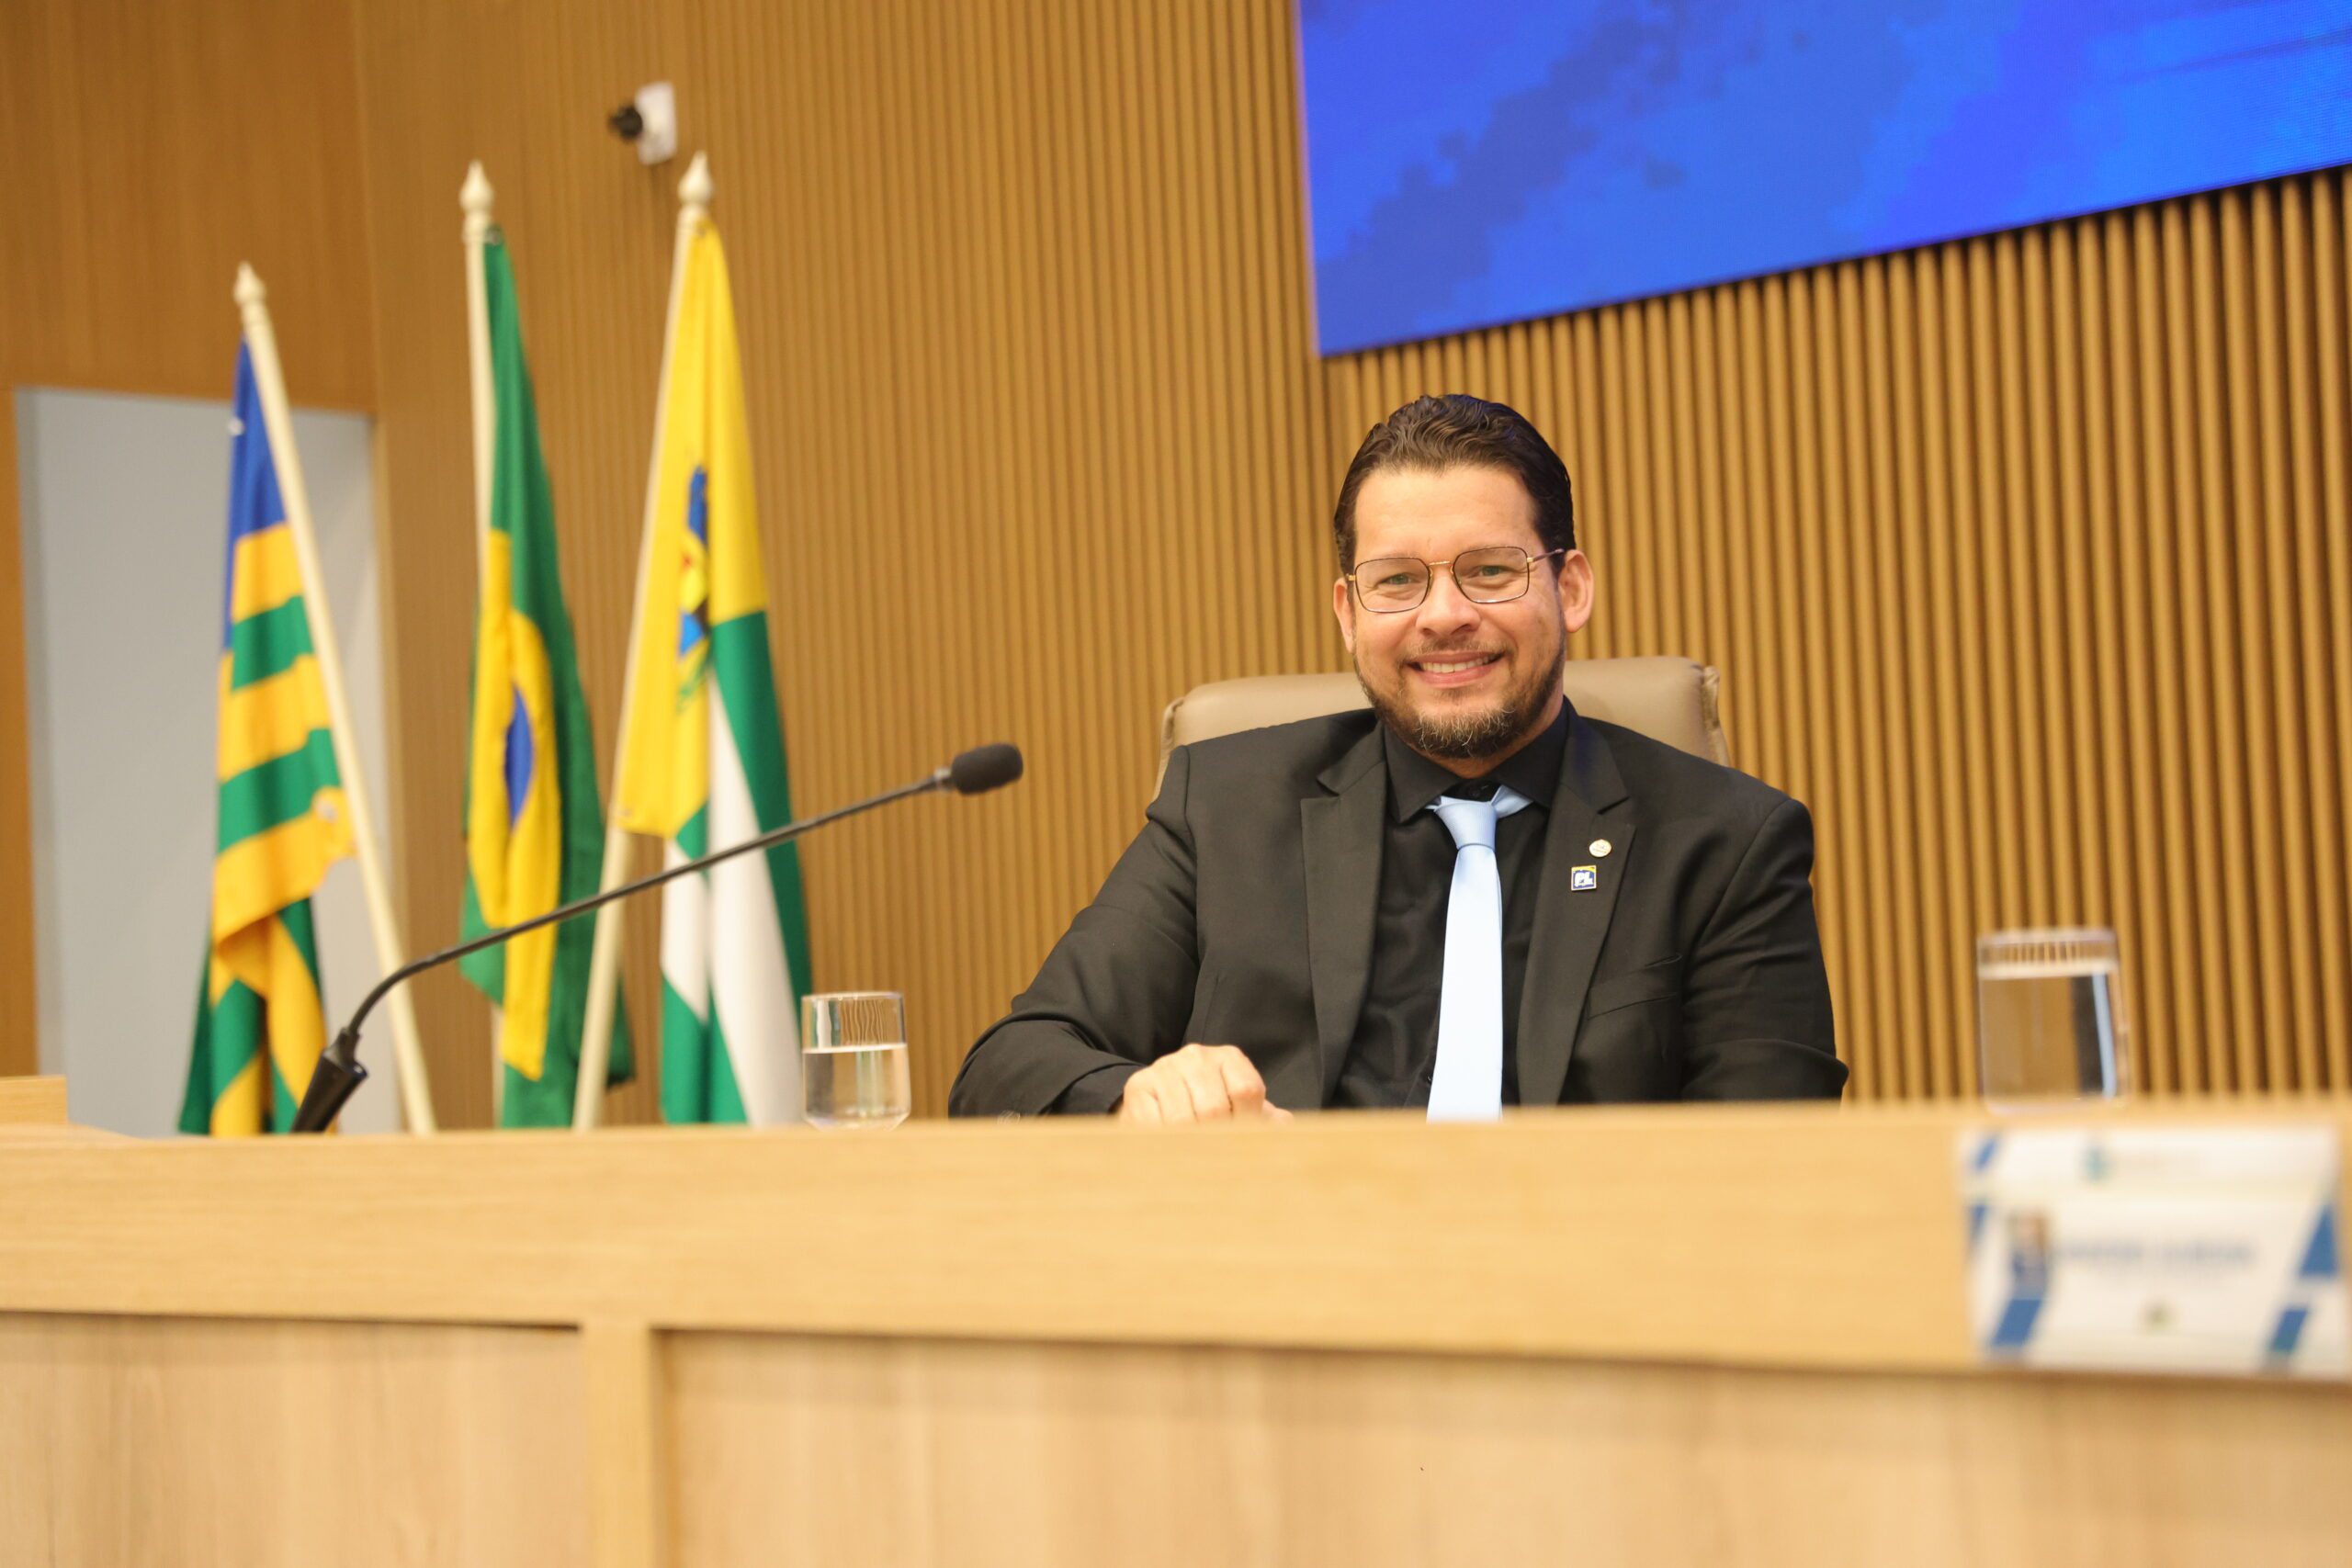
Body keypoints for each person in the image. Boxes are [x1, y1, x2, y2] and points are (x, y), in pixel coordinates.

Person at [949, 394, 1844, 1122]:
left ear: (1569, 588)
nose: (1443, 615)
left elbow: (1770, 1160)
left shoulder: (1726, 842)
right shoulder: (1223, 809)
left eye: (1490, 571)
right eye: (1397, 581)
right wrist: (1135, 1098)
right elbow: (1008, 1069)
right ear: (1347, 611)